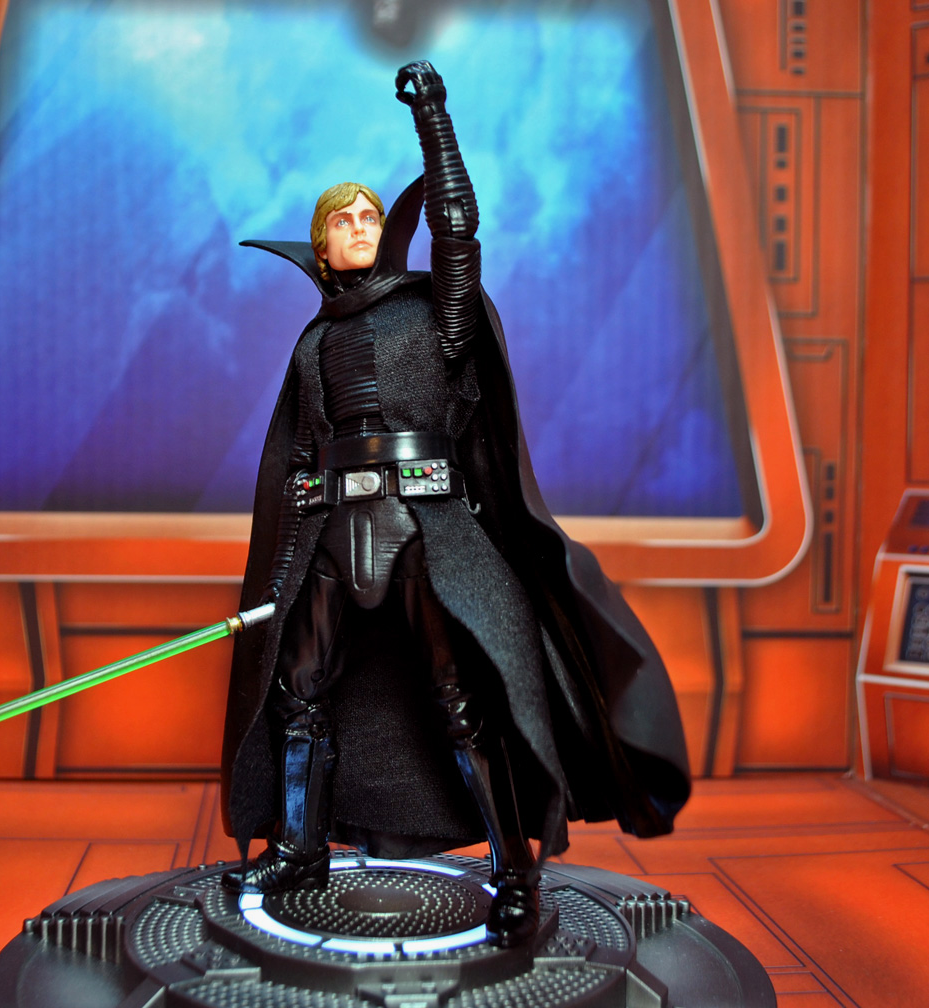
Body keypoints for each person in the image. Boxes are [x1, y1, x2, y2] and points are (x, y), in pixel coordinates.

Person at [220, 61, 691, 948]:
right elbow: (298, 465)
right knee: (299, 694)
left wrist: (432, 116)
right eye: (343, 220)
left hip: (423, 528)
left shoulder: (433, 315)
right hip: (333, 535)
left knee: (464, 698)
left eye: (370, 215)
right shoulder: (312, 345)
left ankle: (515, 874)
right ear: (320, 247)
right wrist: (284, 570)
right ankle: (301, 851)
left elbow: (458, 228)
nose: (361, 225)